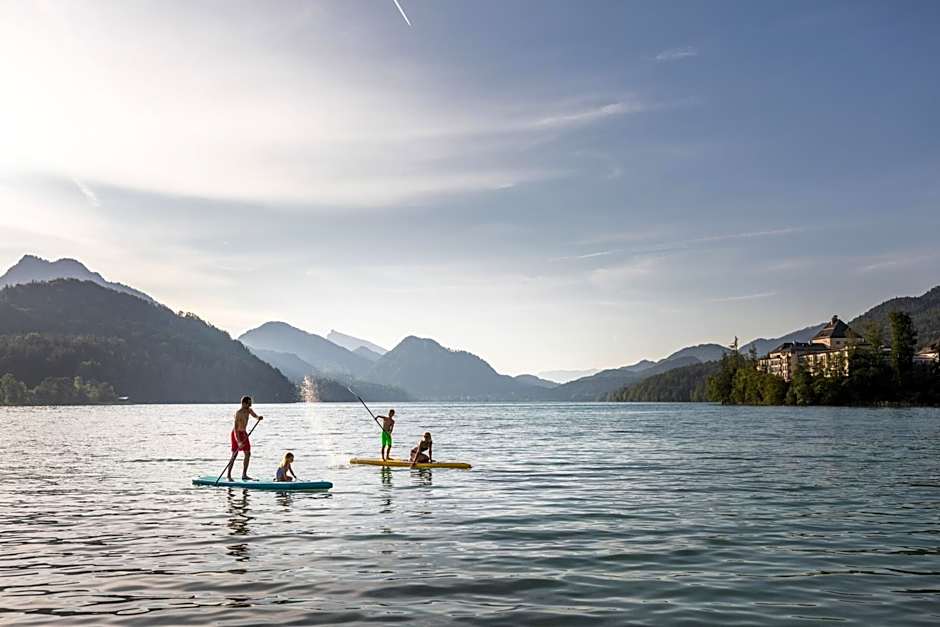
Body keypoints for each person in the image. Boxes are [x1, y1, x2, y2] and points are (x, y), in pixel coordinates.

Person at [226, 395, 263, 481]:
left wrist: (258, 418)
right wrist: (238, 441)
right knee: (234, 455)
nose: (250, 405)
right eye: (249, 403)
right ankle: (228, 475)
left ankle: (244, 475)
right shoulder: (238, 413)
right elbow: (235, 429)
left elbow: (254, 415)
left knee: (248, 453)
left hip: (244, 433)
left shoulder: (249, 410)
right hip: (237, 434)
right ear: (243, 403)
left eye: (251, 403)